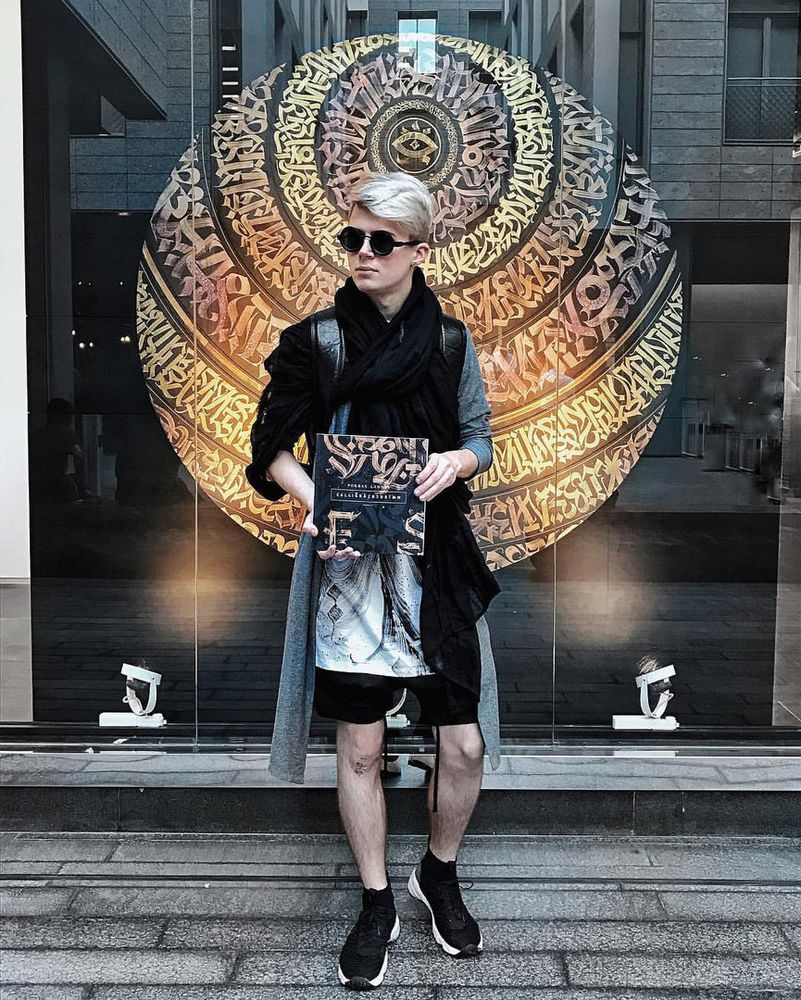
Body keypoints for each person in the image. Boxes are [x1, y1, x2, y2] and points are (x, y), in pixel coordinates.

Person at [245, 170, 502, 990]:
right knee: (359, 743)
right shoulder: (316, 341)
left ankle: (437, 870)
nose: (361, 252)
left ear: (418, 250)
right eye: (351, 237)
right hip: (349, 570)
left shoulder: (451, 342)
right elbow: (268, 448)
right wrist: (316, 499)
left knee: (463, 742)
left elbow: (480, 437)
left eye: (380, 241)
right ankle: (375, 898)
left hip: (436, 565)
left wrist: (457, 462)